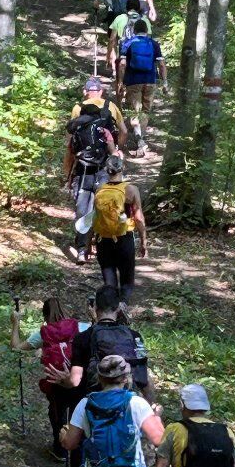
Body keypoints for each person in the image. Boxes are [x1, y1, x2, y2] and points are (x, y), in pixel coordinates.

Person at [10, 299, 91, 467]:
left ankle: (60, 449)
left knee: (56, 412)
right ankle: (79, 448)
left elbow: (16, 348)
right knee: (78, 415)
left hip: (56, 382)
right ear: (65, 310)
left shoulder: (44, 333)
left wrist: (15, 324)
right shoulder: (81, 326)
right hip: (77, 379)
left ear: (44, 316)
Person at [63, 78, 127, 264]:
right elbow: (123, 131)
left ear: (85, 92)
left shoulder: (78, 108)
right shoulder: (111, 106)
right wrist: (117, 149)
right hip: (104, 165)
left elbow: (70, 141)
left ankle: (82, 250)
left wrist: (68, 169)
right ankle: (103, 246)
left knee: (83, 207)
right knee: (105, 205)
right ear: (100, 92)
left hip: (82, 167)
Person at [90, 153, 147, 304]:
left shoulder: (99, 190)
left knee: (109, 281)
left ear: (106, 171)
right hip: (124, 238)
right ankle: (123, 308)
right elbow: (139, 218)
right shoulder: (131, 190)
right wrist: (143, 241)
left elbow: (94, 218)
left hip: (103, 240)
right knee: (127, 281)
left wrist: (91, 241)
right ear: (122, 168)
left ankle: (110, 311)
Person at [116, 19, 167, 158]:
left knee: (135, 111)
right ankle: (141, 138)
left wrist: (120, 82)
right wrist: (165, 83)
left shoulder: (127, 43)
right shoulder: (154, 43)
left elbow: (122, 65)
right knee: (145, 111)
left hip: (133, 82)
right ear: (147, 30)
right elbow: (161, 65)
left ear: (134, 30)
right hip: (150, 82)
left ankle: (139, 140)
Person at [107, 0, 152, 77]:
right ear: (138, 8)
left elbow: (112, 39)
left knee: (120, 77)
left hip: (123, 53)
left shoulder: (119, 18)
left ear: (126, 7)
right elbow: (149, 39)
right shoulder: (145, 20)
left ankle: (120, 86)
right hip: (140, 53)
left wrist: (109, 55)